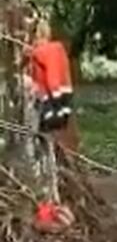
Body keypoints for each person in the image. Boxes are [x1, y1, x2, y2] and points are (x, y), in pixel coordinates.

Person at [27, 17, 80, 152]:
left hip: (47, 101)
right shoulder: (58, 50)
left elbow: (52, 79)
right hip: (63, 101)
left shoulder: (42, 52)